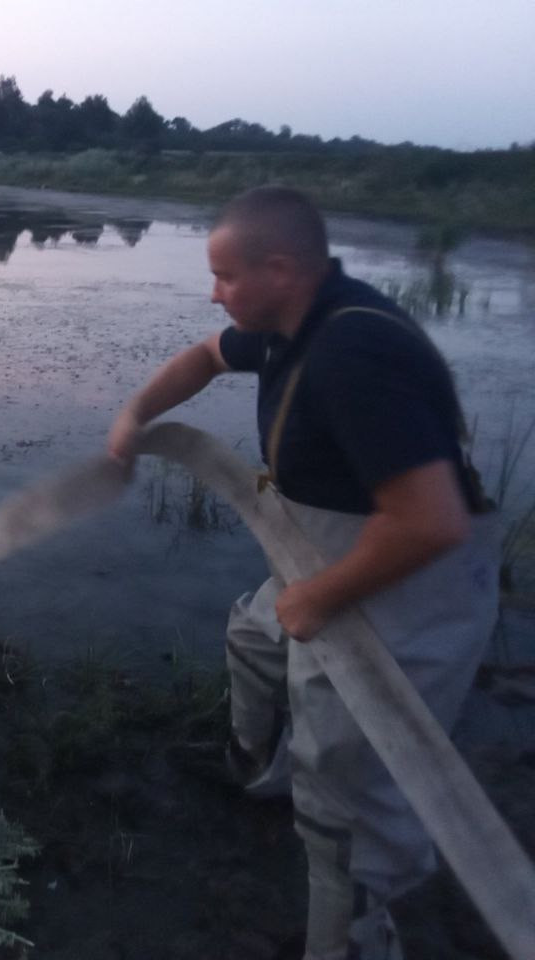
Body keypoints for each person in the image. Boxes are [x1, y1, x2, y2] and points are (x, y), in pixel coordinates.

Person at [107, 186, 498, 959]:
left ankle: (347, 941)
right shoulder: (292, 325)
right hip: (327, 552)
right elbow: (204, 356)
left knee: (346, 808)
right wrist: (135, 415)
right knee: (254, 641)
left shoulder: (354, 354)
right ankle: (256, 774)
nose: (213, 293)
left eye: (225, 277)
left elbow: (430, 520)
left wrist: (318, 597)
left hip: (409, 584)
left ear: (280, 269)